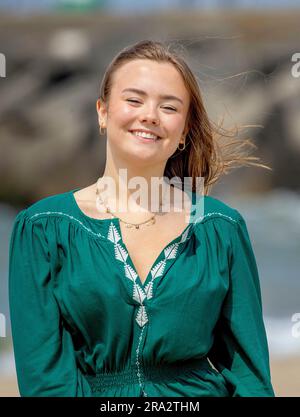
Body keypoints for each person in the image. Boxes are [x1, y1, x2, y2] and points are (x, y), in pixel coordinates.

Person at [8, 40, 275, 397]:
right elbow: (45, 381)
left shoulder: (220, 228)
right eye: (134, 100)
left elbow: (250, 377)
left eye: (169, 107)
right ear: (102, 112)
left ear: (184, 131)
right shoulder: (43, 227)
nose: (149, 115)